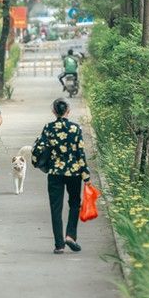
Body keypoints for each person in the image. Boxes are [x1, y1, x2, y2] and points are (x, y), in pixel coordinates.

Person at [32, 98, 90, 254]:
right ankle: (70, 236)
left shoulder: (49, 128)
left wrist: (39, 162)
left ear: (54, 111)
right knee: (74, 203)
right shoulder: (75, 128)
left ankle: (59, 244)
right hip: (74, 172)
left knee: (55, 207)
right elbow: (80, 153)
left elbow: (40, 147)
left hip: (55, 172)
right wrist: (86, 176)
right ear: (68, 111)